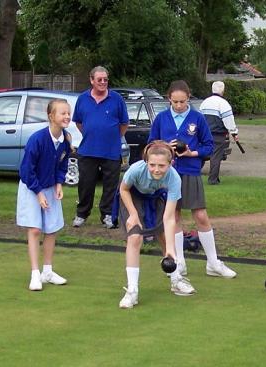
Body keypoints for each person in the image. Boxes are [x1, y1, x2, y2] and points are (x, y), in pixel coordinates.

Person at [148, 80, 237, 286]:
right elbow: (151, 144)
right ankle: (179, 262)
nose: (179, 105)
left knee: (200, 215)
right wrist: (164, 148)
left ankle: (213, 263)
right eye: (175, 101)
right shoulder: (161, 118)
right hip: (168, 174)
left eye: (183, 101)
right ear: (168, 98)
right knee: (174, 216)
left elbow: (208, 146)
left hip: (190, 171)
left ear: (189, 98)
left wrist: (190, 152)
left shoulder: (197, 118)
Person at [118, 141, 196, 308]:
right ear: (146, 162)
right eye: (152, 165)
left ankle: (176, 280)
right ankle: (132, 291)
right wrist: (133, 214)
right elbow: (123, 190)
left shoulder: (174, 178)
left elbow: (169, 218)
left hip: (155, 196)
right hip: (132, 196)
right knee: (135, 237)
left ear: (170, 163)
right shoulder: (136, 170)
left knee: (163, 235)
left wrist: (169, 249)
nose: (156, 169)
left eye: (161, 165)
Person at [16, 99, 72, 291]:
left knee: (52, 229)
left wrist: (58, 183)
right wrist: (39, 193)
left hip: (50, 187)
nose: (67, 116)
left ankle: (47, 272)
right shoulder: (37, 139)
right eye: (62, 113)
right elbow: (26, 170)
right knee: (34, 230)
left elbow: (62, 165)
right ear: (51, 116)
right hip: (32, 187)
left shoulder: (66, 139)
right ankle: (35, 274)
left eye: (68, 113)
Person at [72, 66, 129, 229]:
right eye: (99, 80)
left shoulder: (116, 99)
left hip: (111, 151)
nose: (103, 82)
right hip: (87, 149)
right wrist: (92, 134)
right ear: (92, 80)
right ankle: (82, 214)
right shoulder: (82, 99)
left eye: (105, 79)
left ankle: (108, 215)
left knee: (110, 185)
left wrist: (111, 137)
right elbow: (79, 122)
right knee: (85, 184)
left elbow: (124, 123)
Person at [199, 81, 239, 185]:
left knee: (201, 155)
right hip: (217, 134)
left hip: (203, 134)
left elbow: (199, 119)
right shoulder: (223, 103)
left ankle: (194, 175)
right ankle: (213, 180)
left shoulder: (204, 103)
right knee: (215, 157)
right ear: (223, 90)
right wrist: (234, 132)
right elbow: (228, 120)